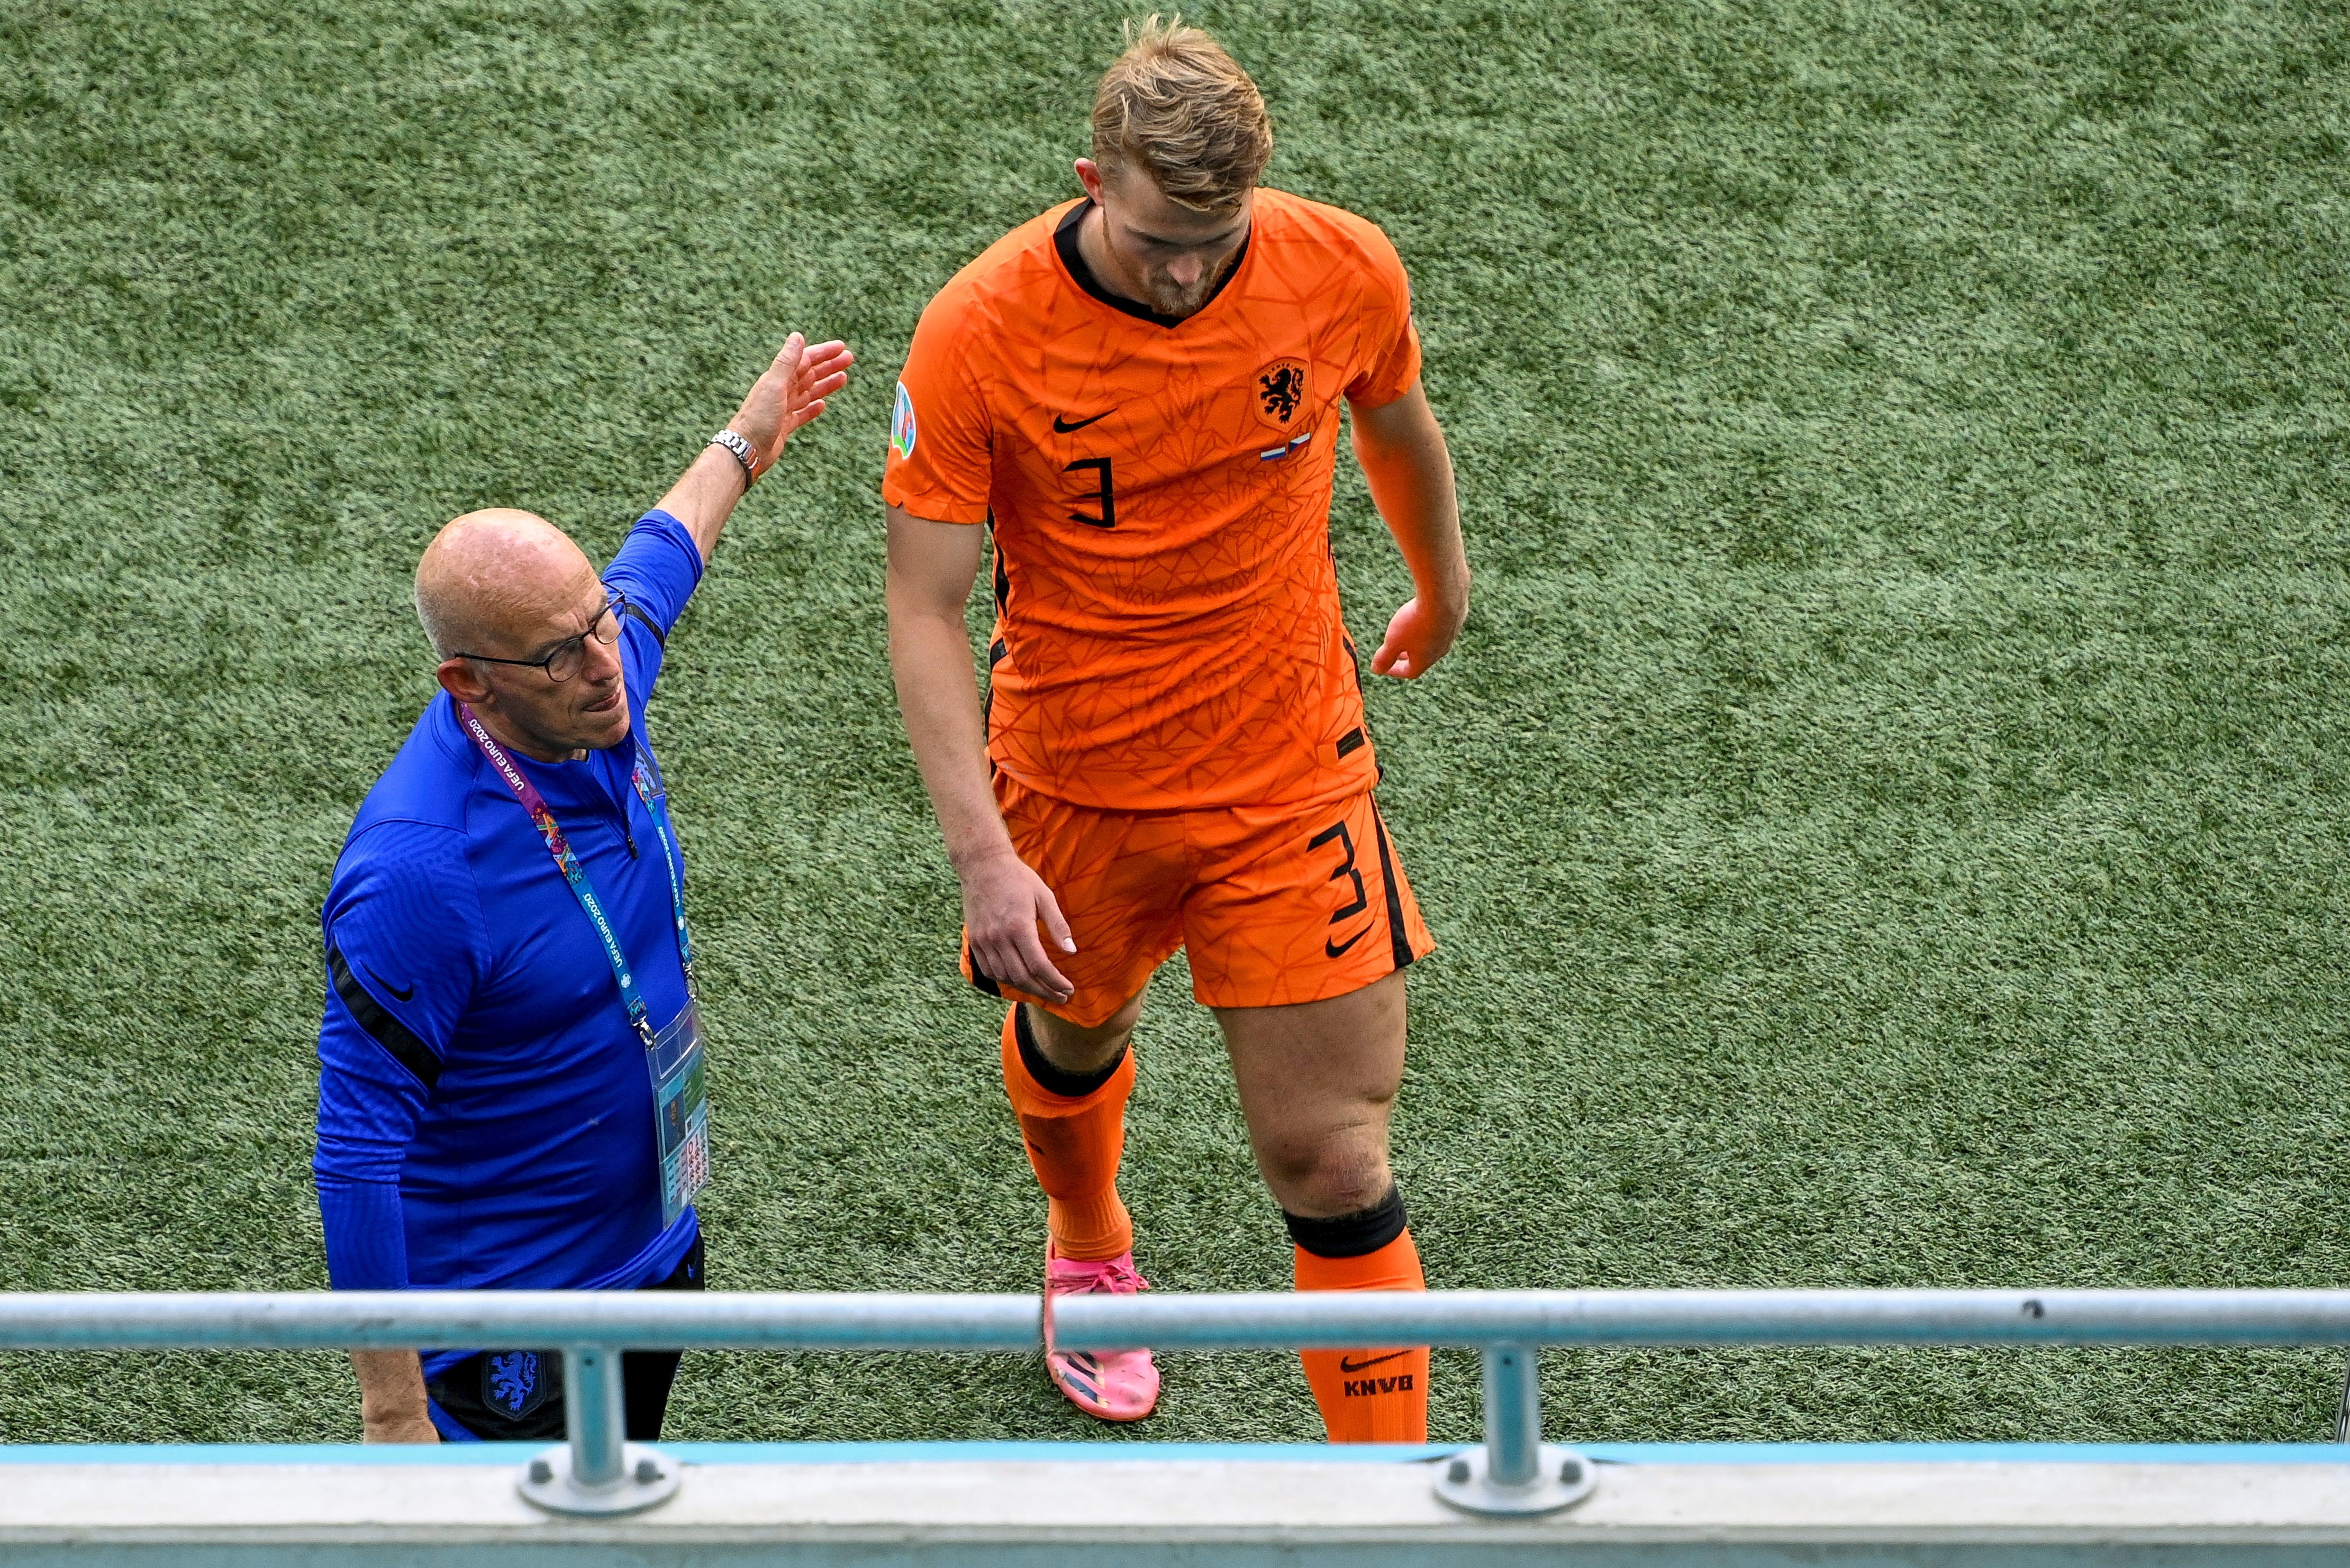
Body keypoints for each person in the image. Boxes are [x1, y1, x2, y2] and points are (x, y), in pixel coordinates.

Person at [883, 17, 1467, 1441]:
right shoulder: (982, 326)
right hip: (1076, 778)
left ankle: (1386, 1518)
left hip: (1289, 775)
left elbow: (1393, 419)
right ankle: (1086, 1236)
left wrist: (1443, 588)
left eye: (1216, 239)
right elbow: (923, 607)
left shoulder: (1339, 265)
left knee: (1333, 1163)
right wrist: (981, 860)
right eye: (1156, 242)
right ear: (1089, 177)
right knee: (1078, 1036)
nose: (1189, 270)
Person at [313, 332, 853, 1443]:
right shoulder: (422, 868)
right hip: (509, 1318)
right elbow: (357, 1146)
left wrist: (750, 436)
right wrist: (390, 1408)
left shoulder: (597, 687)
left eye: (597, 624)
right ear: (471, 685)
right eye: (562, 652)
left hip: (650, 1252)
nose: (606, 663)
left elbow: (666, 550)